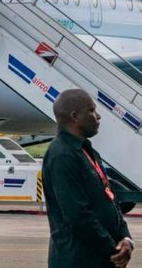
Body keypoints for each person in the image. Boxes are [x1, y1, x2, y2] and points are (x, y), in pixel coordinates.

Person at [42, 89, 134, 268]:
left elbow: (111, 199)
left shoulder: (87, 152)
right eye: (91, 111)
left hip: (100, 259)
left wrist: (125, 238)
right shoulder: (62, 155)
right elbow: (77, 215)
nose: (98, 116)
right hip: (78, 260)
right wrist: (113, 250)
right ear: (75, 117)